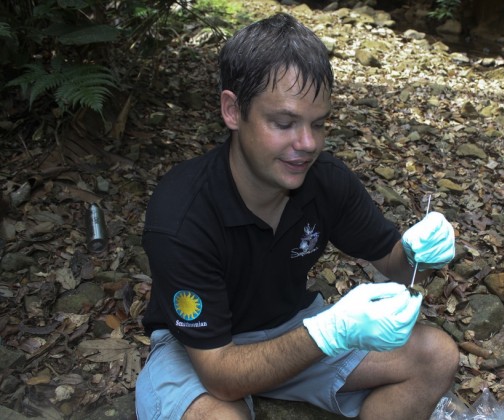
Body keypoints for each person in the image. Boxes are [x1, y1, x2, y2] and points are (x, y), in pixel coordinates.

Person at [135, 12, 459, 420]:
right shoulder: (182, 216)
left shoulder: (326, 183)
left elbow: (395, 264)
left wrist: (419, 255)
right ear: (233, 110)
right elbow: (220, 374)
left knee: (436, 354)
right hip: (199, 352)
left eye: (318, 124)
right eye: (284, 123)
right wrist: (329, 332)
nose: (307, 144)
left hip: (291, 327)